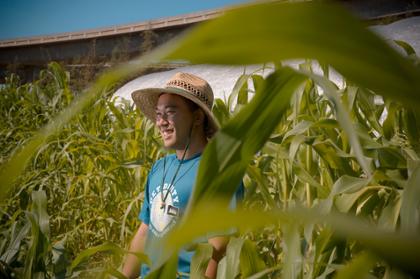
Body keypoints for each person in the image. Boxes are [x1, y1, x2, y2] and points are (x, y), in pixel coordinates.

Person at [122, 72, 243, 278]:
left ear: (197, 117)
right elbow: (144, 232)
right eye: (159, 114)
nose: (161, 122)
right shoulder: (159, 167)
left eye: (170, 112)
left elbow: (218, 248)